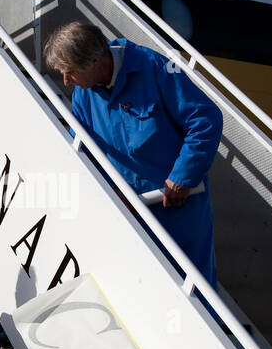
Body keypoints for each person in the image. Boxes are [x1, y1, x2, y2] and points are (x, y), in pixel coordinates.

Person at [43, 21, 224, 286]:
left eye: (69, 72)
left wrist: (183, 176)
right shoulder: (84, 94)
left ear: (94, 60)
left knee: (192, 292)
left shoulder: (154, 67)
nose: (67, 81)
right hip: (129, 215)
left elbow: (205, 120)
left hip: (176, 207)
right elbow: (81, 152)